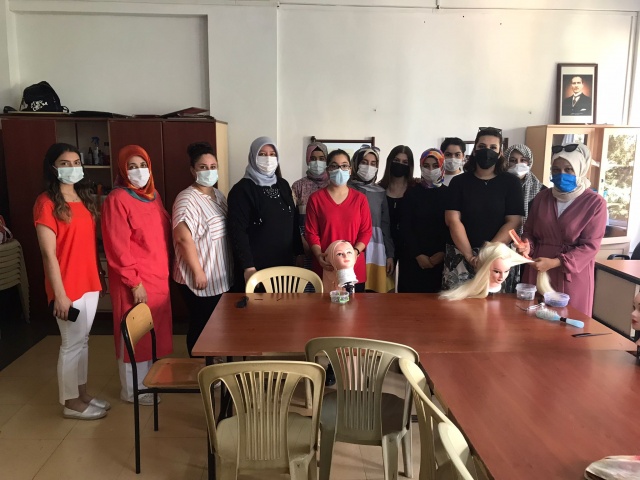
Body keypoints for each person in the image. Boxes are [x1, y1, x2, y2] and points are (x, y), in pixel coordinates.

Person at [34, 143, 108, 420]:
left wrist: (99, 276)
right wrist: (60, 294)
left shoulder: (82, 197)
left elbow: (87, 244)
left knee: (82, 341)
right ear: (52, 168)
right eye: (64, 163)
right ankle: (70, 402)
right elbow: (48, 254)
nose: (72, 167)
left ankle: (82, 393)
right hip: (67, 286)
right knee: (71, 344)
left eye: (76, 162)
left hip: (88, 281)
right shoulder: (46, 203)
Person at [102, 145, 173, 405]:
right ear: (123, 170)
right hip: (135, 281)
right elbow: (118, 246)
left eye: (142, 165)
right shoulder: (117, 199)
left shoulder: (153, 197)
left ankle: (150, 382)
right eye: (132, 167)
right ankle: (133, 390)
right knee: (134, 334)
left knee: (153, 334)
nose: (139, 171)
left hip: (158, 277)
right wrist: (134, 283)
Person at [518, 143, 607, 316]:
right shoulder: (542, 197)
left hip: (571, 273)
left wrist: (555, 262)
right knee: (533, 320)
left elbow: (590, 246)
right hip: (538, 268)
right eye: (556, 170)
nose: (562, 174)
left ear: (580, 170)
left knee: (568, 321)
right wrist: (527, 245)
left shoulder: (595, 203)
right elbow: (529, 231)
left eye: (568, 169)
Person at [443, 127, 524, 291]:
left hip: (497, 258)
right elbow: (452, 220)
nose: (487, 151)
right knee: (457, 305)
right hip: (461, 255)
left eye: (493, 147)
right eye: (482, 146)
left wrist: (487, 254)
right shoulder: (458, 182)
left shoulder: (511, 183)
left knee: (497, 306)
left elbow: (514, 221)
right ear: (474, 150)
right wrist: (470, 256)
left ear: (500, 152)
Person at [172, 142, 233, 356]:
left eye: (213, 167)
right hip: (198, 275)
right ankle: (198, 365)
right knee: (201, 324)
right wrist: (197, 271)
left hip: (218, 273)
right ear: (193, 170)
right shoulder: (187, 198)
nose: (209, 171)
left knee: (215, 323)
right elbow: (182, 237)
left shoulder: (218, 195)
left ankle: (213, 360)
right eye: (203, 167)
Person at [227, 136, 304, 291]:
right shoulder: (241, 190)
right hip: (256, 266)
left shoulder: (283, 184)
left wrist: (299, 252)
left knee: (284, 302)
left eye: (272, 154)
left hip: (284, 262)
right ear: (253, 157)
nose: (268, 159)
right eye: (262, 154)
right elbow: (237, 231)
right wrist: (248, 266)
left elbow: (293, 221)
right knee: (259, 305)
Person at [305, 149, 372, 293]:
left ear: (350, 170)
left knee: (355, 307)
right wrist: (319, 255)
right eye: (334, 166)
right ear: (328, 170)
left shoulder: (360, 199)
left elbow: (366, 231)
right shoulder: (316, 199)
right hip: (326, 266)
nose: (340, 169)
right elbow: (311, 232)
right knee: (324, 307)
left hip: (353, 268)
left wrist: (355, 252)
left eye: (344, 165)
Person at [398, 148, 448, 293]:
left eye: (435, 165)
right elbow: (405, 226)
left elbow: (451, 226)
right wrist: (418, 254)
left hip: (441, 259)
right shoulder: (411, 193)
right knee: (410, 302)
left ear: (442, 166)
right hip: (413, 259)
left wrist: (442, 253)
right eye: (426, 166)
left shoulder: (449, 194)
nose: (430, 170)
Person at [348, 146, 394, 292]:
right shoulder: (345, 189)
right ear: (355, 164)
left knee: (373, 294)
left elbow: (385, 224)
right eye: (364, 162)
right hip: (352, 245)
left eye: (373, 163)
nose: (368, 167)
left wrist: (389, 255)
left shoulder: (380, 192)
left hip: (375, 248)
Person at [440, 242, 534, 300]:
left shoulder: (509, 293)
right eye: (496, 271)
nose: (502, 277)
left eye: (506, 271)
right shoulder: (470, 296)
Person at [291, 141, 330, 276]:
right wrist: (302, 241)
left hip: (328, 244)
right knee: (306, 282)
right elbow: (291, 218)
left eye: (321, 158)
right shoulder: (298, 186)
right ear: (307, 160)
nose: (317, 162)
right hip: (304, 244)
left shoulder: (333, 184)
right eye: (313, 158)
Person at [377, 145, 417, 270]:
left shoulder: (415, 189)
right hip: (384, 245)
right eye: (396, 160)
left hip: (409, 247)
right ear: (390, 161)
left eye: (405, 162)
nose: (400, 165)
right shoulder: (379, 189)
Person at [504, 144, 545, 234]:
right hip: (502, 238)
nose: (518, 164)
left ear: (529, 162)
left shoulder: (541, 190)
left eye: (523, 160)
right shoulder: (499, 185)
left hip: (530, 239)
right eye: (513, 160)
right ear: (506, 163)